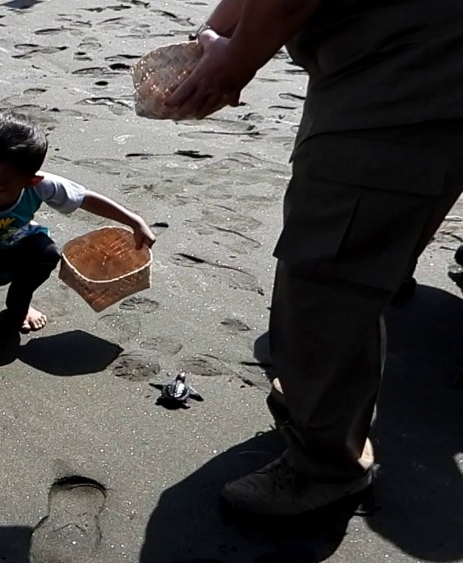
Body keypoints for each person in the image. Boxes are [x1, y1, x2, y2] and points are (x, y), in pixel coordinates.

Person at [166, 0, 463, 516]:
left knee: (329, 277)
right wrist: (215, 31)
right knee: (365, 252)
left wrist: (235, 59)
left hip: (403, 78)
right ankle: (324, 401)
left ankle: (327, 467)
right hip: (398, 69)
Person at [0, 112, 156, 354]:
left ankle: (18, 310)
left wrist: (134, 221)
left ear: (30, 181)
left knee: (47, 252)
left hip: (14, 249)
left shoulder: (40, 185)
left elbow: (84, 198)